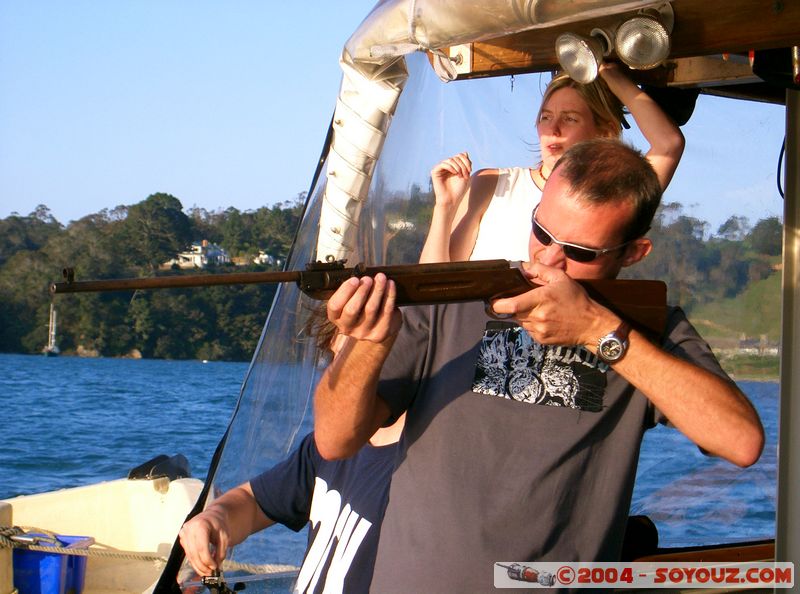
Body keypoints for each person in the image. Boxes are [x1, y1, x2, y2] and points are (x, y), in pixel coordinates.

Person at [313, 139, 763, 592]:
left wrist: (599, 334)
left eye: (580, 252)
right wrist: (369, 342)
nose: (549, 258)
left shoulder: (645, 330)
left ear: (633, 253)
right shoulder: (456, 298)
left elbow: (741, 442)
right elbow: (334, 439)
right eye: (542, 232)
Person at [179, 323, 405, 594]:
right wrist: (215, 517)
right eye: (335, 351)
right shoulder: (325, 450)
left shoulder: (420, 464)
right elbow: (254, 503)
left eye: (357, 347)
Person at [419, 63, 685, 263]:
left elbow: (668, 144)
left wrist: (607, 72)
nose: (553, 129)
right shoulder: (491, 183)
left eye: (570, 119)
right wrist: (445, 207)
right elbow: (436, 288)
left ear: (605, 131)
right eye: (546, 117)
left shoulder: (612, 195)